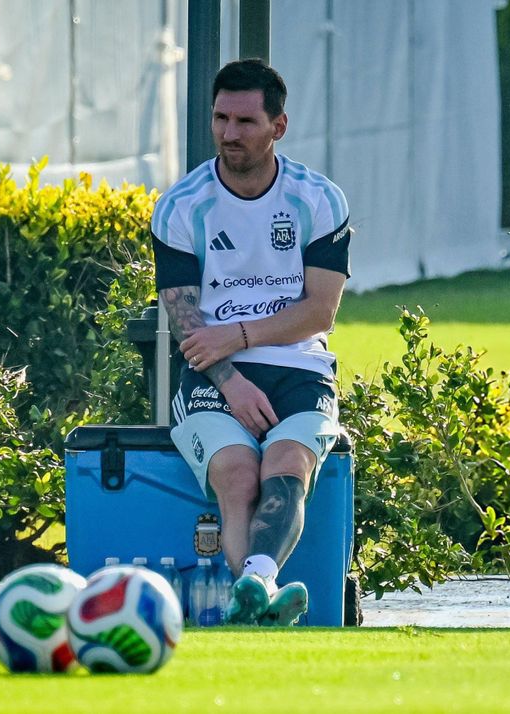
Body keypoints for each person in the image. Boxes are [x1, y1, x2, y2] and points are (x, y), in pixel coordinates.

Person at [150, 58, 351, 626]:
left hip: (300, 369)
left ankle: (253, 587)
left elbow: (320, 311)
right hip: (214, 376)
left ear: (278, 127)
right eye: (220, 119)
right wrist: (231, 381)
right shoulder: (180, 207)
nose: (229, 134)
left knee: (286, 466)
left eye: (244, 121)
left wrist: (237, 334)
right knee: (237, 475)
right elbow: (188, 326)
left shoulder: (319, 200)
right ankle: (259, 591)